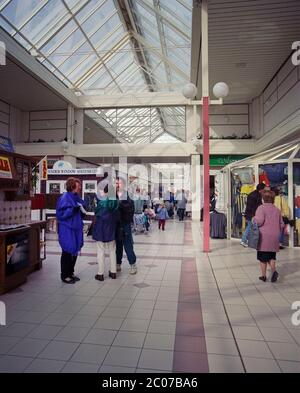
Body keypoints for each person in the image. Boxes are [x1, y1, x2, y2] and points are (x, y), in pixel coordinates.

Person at [56, 177, 86, 284]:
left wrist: (82, 209)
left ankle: (71, 272)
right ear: (72, 186)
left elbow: (82, 207)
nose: (80, 188)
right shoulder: (64, 198)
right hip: (67, 229)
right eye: (78, 186)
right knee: (67, 251)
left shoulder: (75, 197)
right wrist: (73, 210)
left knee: (75, 251)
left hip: (76, 228)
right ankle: (64, 275)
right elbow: (61, 214)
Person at [253, 190, 284, 283]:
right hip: (274, 236)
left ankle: (263, 276)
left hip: (263, 236)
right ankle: (274, 272)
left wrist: (253, 219)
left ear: (263, 199)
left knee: (262, 258)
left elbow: (259, 221)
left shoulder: (261, 208)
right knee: (271, 256)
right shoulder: (277, 210)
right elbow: (282, 224)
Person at [93, 184, 118, 281]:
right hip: (111, 228)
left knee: (100, 251)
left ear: (106, 191)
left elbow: (96, 212)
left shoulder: (102, 202)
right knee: (112, 251)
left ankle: (100, 274)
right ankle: (113, 272)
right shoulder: (116, 202)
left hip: (101, 228)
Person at [116, 176, 137, 274]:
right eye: (116, 183)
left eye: (119, 183)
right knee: (118, 245)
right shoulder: (112, 195)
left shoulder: (127, 195)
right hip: (115, 225)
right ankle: (117, 263)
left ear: (123, 185)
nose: (117, 185)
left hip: (125, 224)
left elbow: (130, 209)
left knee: (127, 244)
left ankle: (133, 264)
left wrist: (120, 204)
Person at [241, 183, 266, 247]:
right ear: (261, 189)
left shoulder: (253, 194)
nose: (265, 191)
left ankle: (246, 240)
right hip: (252, 214)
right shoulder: (257, 196)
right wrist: (254, 215)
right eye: (264, 189)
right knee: (250, 227)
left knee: (250, 227)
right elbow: (257, 206)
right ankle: (244, 240)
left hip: (249, 213)